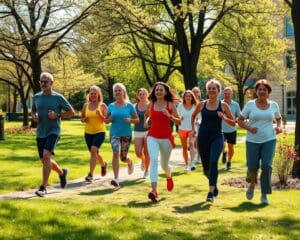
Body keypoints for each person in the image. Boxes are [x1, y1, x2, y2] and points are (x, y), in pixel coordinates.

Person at [237, 79, 282, 205]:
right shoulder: (250, 105)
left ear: (268, 92)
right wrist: (250, 128)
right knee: (252, 166)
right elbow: (239, 120)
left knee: (267, 166)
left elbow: (278, 119)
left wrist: (279, 127)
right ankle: (251, 184)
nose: (262, 91)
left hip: (269, 139)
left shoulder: (274, 105)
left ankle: (264, 194)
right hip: (252, 141)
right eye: (260, 89)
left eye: (264, 89)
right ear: (256, 91)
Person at [191, 79, 235, 202]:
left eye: (213, 88)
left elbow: (233, 123)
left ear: (218, 91)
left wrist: (224, 117)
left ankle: (210, 193)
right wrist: (193, 128)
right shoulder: (202, 104)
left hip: (217, 136)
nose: (211, 90)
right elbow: (194, 115)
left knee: (214, 161)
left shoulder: (223, 105)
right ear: (206, 91)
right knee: (206, 168)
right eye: (209, 88)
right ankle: (214, 184)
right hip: (203, 137)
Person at [32, 72, 75, 197]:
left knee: (46, 155)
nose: (44, 83)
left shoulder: (58, 97)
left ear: (52, 83)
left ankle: (43, 187)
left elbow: (71, 112)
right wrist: (34, 116)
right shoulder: (36, 97)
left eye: (46, 81)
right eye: (42, 81)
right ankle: (62, 172)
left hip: (54, 131)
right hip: (40, 132)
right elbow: (33, 109)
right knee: (44, 160)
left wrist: (57, 115)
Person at [145, 82, 181, 202]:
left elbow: (179, 122)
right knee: (154, 160)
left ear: (165, 92)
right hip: (152, 136)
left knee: (164, 165)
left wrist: (169, 115)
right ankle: (154, 190)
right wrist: (148, 120)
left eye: (161, 90)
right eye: (157, 90)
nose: (159, 92)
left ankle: (169, 175)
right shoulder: (152, 103)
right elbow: (150, 115)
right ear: (154, 92)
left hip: (166, 138)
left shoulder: (170, 104)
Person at [104, 83, 139, 187]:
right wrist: (109, 119)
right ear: (114, 93)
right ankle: (116, 178)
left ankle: (129, 161)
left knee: (123, 157)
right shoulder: (110, 106)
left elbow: (137, 120)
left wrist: (130, 120)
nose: (118, 92)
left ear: (123, 92)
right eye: (116, 91)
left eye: (120, 90)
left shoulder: (129, 106)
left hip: (126, 134)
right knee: (115, 153)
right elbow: (106, 120)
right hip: (114, 133)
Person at [81, 85, 108, 182]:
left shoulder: (102, 106)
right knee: (94, 153)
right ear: (89, 94)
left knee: (93, 150)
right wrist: (84, 119)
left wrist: (100, 115)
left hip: (100, 131)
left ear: (98, 95)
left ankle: (90, 174)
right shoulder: (86, 106)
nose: (93, 95)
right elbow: (82, 118)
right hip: (88, 132)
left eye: (95, 93)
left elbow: (107, 120)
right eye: (91, 93)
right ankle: (104, 164)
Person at [177, 90, 197, 171]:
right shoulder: (180, 106)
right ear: (184, 97)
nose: (188, 97)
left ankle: (192, 163)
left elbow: (199, 116)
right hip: (182, 128)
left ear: (192, 97)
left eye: (189, 96)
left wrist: (198, 121)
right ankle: (186, 164)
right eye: (186, 96)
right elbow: (176, 115)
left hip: (192, 128)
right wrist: (179, 118)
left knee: (191, 143)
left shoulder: (195, 106)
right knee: (184, 147)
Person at [221, 87, 241, 170]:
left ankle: (229, 161)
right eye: (225, 93)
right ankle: (224, 152)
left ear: (232, 94)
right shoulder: (220, 104)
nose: (227, 95)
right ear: (223, 94)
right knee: (221, 144)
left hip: (232, 129)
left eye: (228, 93)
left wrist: (236, 119)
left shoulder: (235, 105)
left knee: (231, 147)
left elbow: (239, 116)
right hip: (221, 129)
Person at [134, 88, 150, 179]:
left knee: (147, 152)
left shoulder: (150, 105)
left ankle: (146, 171)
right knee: (138, 153)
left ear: (147, 95)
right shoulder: (134, 106)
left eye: (144, 94)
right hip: (137, 131)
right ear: (138, 96)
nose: (142, 96)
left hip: (148, 131)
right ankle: (143, 160)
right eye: (140, 94)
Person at [191, 86, 203, 165]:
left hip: (200, 124)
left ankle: (199, 157)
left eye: (197, 92)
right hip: (191, 124)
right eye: (194, 92)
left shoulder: (202, 103)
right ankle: (193, 157)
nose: (195, 93)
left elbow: (203, 114)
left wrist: (200, 120)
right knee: (193, 142)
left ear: (199, 93)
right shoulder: (189, 102)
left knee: (199, 141)